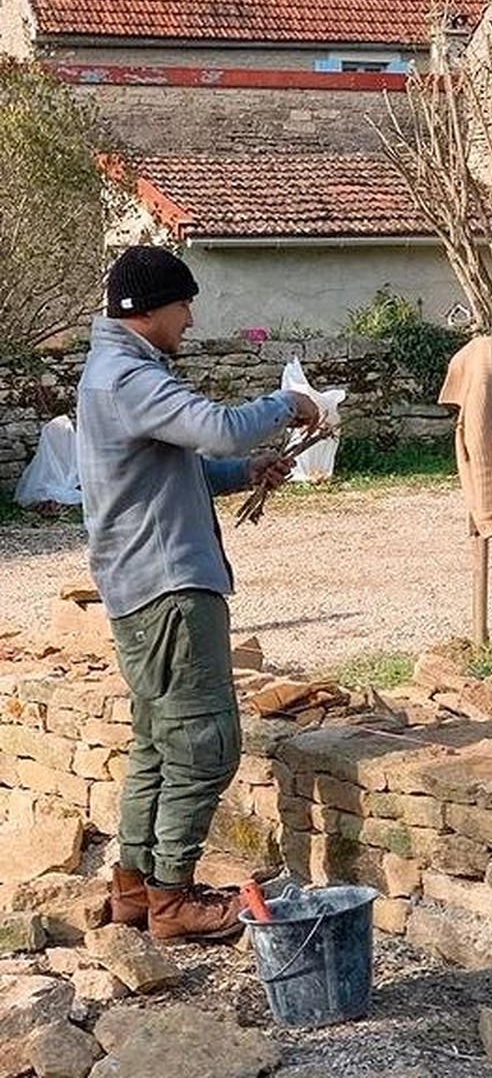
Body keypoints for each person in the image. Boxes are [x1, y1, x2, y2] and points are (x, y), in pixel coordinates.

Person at [76, 245, 321, 943]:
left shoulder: (112, 375)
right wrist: (286, 402)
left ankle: (135, 888)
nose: (190, 317)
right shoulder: (128, 377)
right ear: (146, 309)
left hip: (142, 586)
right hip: (170, 589)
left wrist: (245, 471)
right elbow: (212, 425)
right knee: (206, 744)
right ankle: (174, 901)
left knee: (158, 741)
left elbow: (163, 475)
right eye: (184, 303)